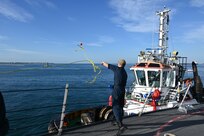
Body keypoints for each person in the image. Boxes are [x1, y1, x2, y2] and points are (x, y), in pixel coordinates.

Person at [101, 59, 128, 136]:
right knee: (120, 106)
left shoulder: (117, 69)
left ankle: (121, 126)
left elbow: (107, 65)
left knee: (115, 107)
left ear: (118, 63)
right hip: (122, 90)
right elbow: (120, 82)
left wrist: (102, 63)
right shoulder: (125, 72)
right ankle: (117, 121)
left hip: (117, 91)